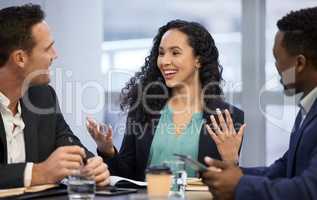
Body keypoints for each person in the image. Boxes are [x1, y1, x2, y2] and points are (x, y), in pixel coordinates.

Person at [87, 19, 245, 181]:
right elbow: (126, 175)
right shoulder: (142, 108)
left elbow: (227, 186)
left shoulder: (228, 118)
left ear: (198, 60)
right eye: (161, 53)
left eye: (175, 53)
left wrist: (231, 160)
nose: (164, 61)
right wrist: (107, 150)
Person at [202, 6, 317, 200]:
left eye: (277, 59)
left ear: (299, 63)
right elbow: (283, 169)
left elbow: (308, 190)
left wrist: (239, 185)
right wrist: (233, 174)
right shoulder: (308, 109)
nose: (276, 69)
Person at [0, 4, 110, 189]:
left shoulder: (43, 98)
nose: (55, 55)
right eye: (48, 48)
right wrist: (37, 173)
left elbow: (71, 147)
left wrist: (91, 167)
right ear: (20, 58)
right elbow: (42, 172)